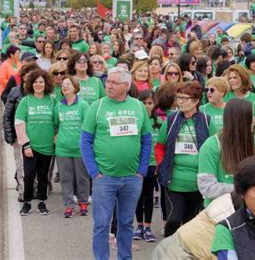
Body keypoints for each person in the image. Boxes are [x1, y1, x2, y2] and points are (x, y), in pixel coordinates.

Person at [80, 67, 152, 260]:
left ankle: (124, 257)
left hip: (132, 178)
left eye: (113, 82)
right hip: (105, 178)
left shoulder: (138, 107)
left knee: (126, 222)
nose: (108, 85)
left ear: (126, 86)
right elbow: (85, 141)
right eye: (108, 81)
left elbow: (146, 140)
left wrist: (142, 170)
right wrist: (94, 172)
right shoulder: (97, 106)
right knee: (102, 224)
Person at [155, 81, 216, 237]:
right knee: (174, 219)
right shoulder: (171, 121)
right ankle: (169, 250)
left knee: (192, 222)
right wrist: (162, 164)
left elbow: (216, 149)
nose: (180, 101)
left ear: (196, 101)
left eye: (185, 98)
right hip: (174, 180)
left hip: (197, 182)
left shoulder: (208, 122)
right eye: (179, 97)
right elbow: (160, 146)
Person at [198, 98, 255, 207]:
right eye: (251, 116)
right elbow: (207, 188)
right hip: (221, 210)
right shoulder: (211, 145)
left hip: (250, 208)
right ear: (240, 119)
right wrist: (243, 189)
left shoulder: (254, 142)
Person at [15, 68, 56, 216]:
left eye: (41, 82)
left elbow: (57, 121)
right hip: (31, 147)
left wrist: (56, 136)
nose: (39, 85)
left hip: (47, 146)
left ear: (46, 84)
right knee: (29, 176)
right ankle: (26, 203)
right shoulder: (25, 101)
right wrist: (25, 144)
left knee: (43, 176)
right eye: (36, 82)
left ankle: (41, 202)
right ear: (31, 84)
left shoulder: (52, 100)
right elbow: (19, 123)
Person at [54, 75, 90, 218]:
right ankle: (69, 205)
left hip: (80, 149)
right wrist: (56, 136)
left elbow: (88, 126)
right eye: (63, 85)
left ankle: (83, 202)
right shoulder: (59, 105)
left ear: (75, 87)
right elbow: (56, 123)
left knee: (82, 178)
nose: (65, 86)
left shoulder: (83, 105)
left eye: (68, 84)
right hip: (62, 149)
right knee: (65, 178)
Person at [3, 63, 38, 201]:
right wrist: (9, 136)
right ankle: (23, 191)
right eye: (27, 75)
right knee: (21, 165)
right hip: (19, 136)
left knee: (34, 164)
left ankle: (34, 188)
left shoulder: (40, 93)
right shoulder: (15, 92)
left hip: (36, 135)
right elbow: (7, 115)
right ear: (23, 77)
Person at [133, 90, 160, 242]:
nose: (147, 106)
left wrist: (158, 164)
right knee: (138, 196)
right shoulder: (135, 121)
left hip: (152, 165)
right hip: (137, 165)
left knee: (149, 197)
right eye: (143, 103)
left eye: (150, 103)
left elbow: (160, 146)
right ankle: (139, 225)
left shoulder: (158, 123)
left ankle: (148, 226)